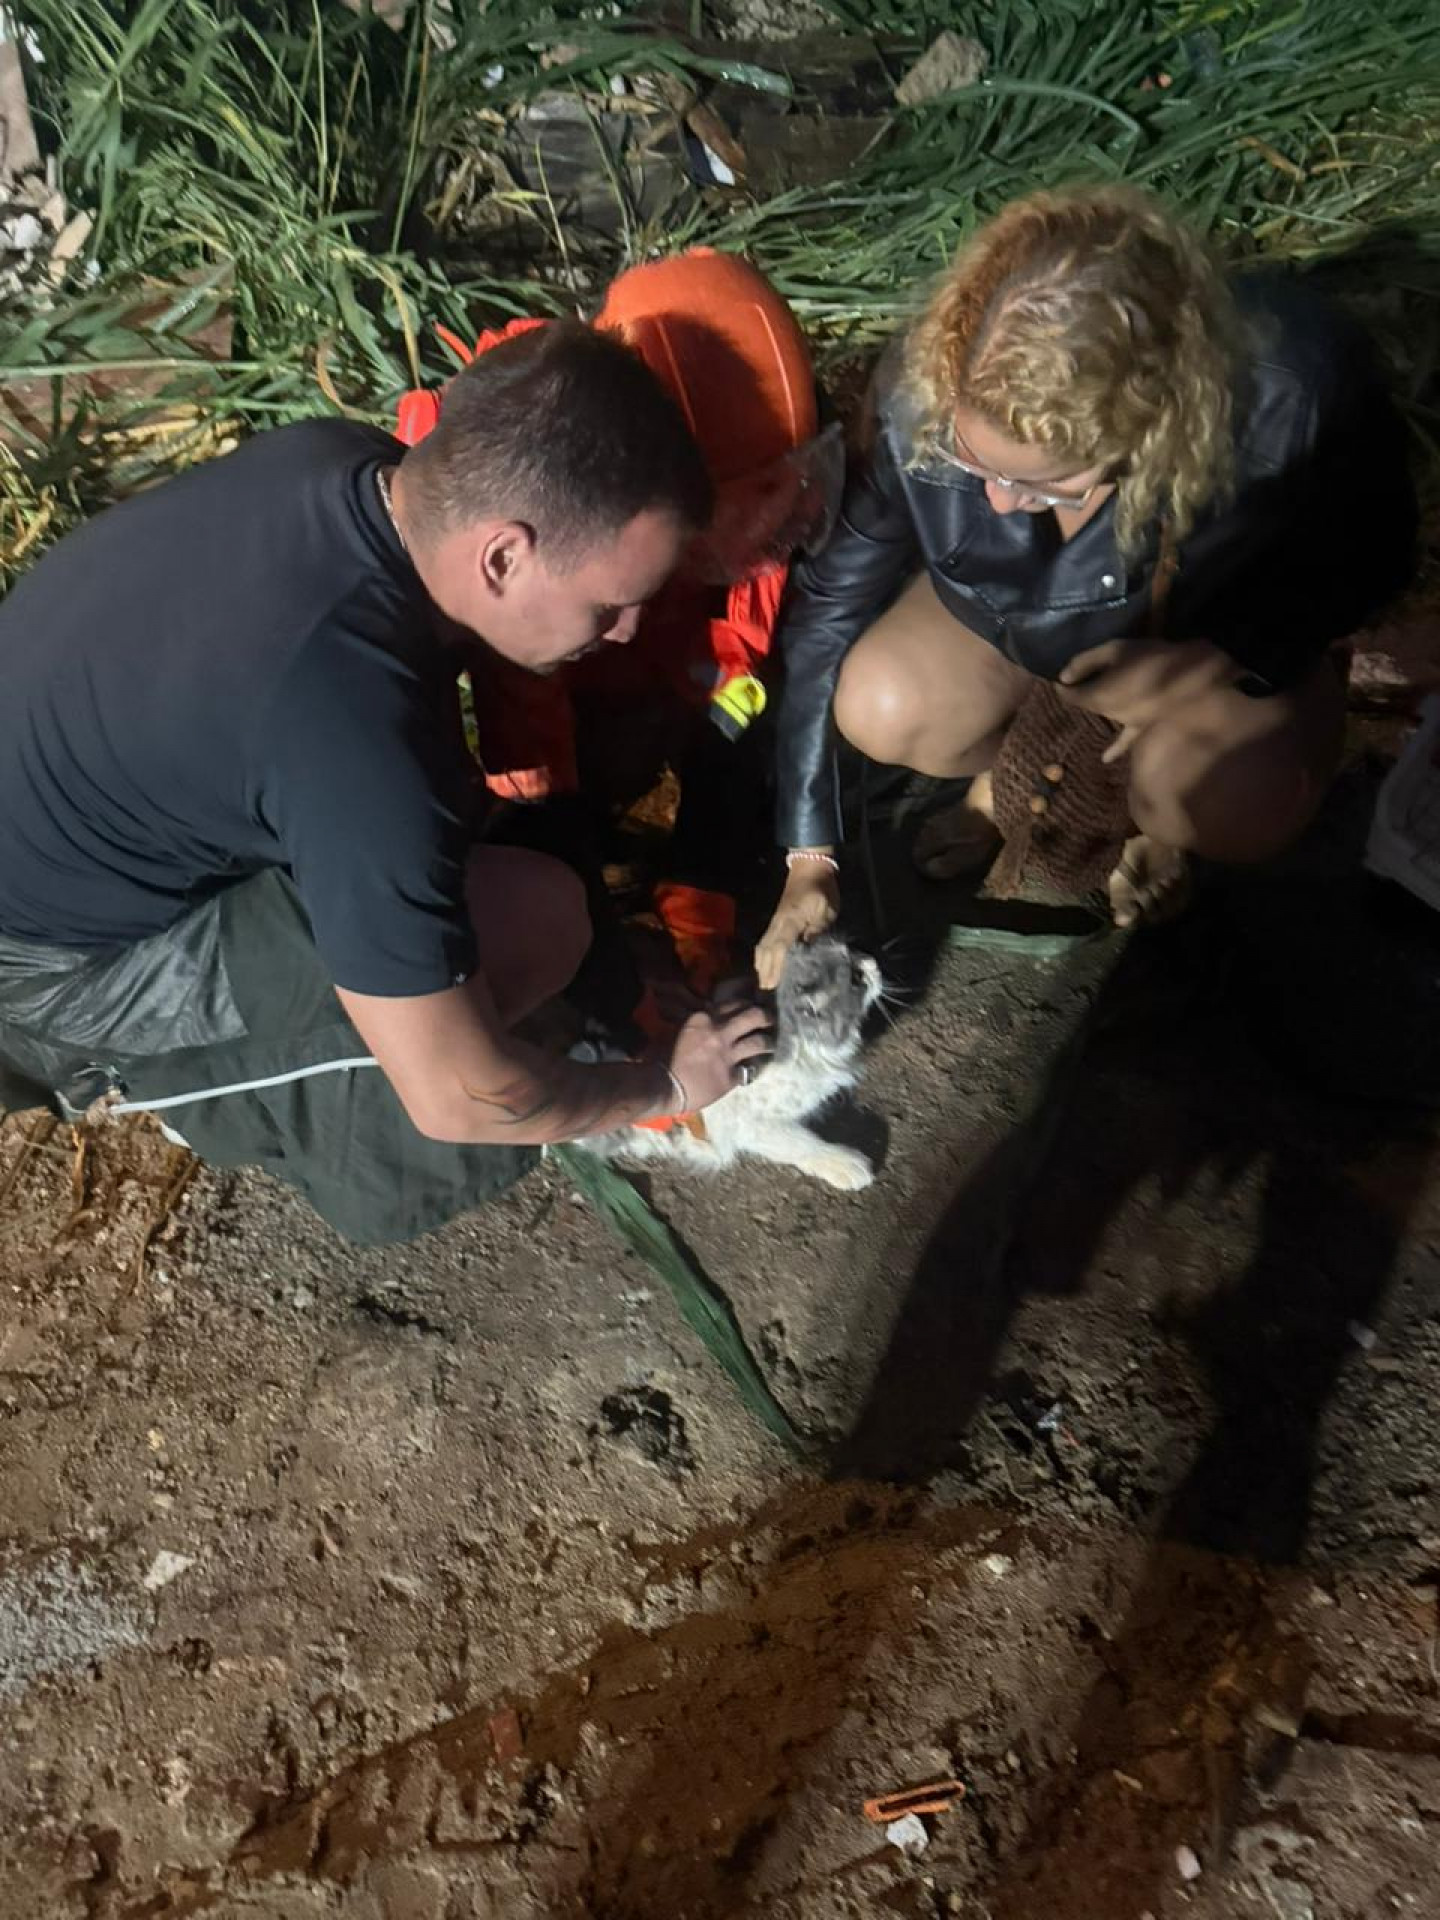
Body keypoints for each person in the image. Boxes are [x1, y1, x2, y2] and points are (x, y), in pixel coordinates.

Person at [0, 321, 771, 1242]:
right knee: (537, 928)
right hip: (47, 977)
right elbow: (463, 1096)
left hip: (79, 811)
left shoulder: (346, 464)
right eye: (607, 605)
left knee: (488, 896)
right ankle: (172, 1083)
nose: (627, 633)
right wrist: (665, 1083)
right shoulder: (351, 738)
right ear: (502, 556)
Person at [755, 184, 1417, 987]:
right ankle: (1017, 779)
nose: (999, 504)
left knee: (1225, 802)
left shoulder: (1291, 383)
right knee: (880, 702)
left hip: (1205, 647)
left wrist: (1218, 658)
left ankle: (1154, 823)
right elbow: (829, 603)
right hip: (1015, 635)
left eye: (1049, 489)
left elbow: (1374, 558)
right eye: (976, 465)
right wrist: (808, 853)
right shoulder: (919, 392)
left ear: (1158, 425)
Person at [395, 248, 842, 1003]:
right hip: (564, 680)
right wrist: (600, 968)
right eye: (757, 500)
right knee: (544, 819)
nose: (787, 520)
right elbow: (522, 712)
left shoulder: (757, 466)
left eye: (796, 482)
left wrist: (718, 894)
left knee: (735, 720)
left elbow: (752, 668)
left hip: (660, 669)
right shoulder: (529, 499)